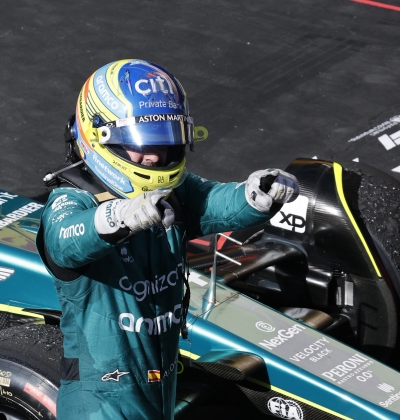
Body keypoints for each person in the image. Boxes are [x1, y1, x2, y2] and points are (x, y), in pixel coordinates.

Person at [36, 59, 299, 419]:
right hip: (100, 400)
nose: (157, 156)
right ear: (100, 136)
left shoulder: (172, 189)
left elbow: (213, 201)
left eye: (167, 141)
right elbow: (62, 242)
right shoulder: (71, 200)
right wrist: (119, 216)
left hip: (161, 384)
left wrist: (257, 194)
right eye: (142, 141)